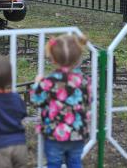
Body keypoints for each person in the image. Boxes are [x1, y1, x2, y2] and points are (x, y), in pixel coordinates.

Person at [31, 34, 91, 168]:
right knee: (75, 162)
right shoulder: (85, 80)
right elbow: (89, 100)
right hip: (78, 132)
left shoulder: (50, 81)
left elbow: (36, 100)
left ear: (53, 59)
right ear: (78, 58)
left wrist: (37, 84)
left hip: (55, 134)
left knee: (54, 163)